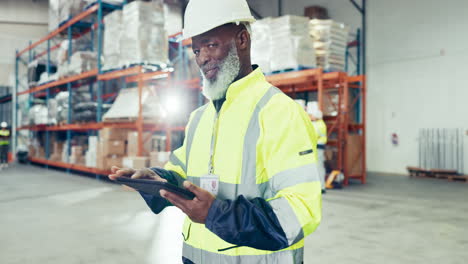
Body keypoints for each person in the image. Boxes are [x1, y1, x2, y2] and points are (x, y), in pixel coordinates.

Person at [109, 0, 322, 263]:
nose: (202, 59)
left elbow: (300, 212)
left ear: (242, 39)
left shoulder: (279, 112)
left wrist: (215, 214)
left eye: (211, 45)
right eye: (196, 50)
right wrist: (156, 180)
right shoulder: (200, 117)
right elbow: (182, 174)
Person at [307, 102, 328, 193]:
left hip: (318, 148)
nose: (309, 117)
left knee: (318, 167)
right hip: (316, 148)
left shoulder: (319, 125)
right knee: (316, 167)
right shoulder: (318, 123)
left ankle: (321, 187)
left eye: (310, 115)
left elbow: (312, 135)